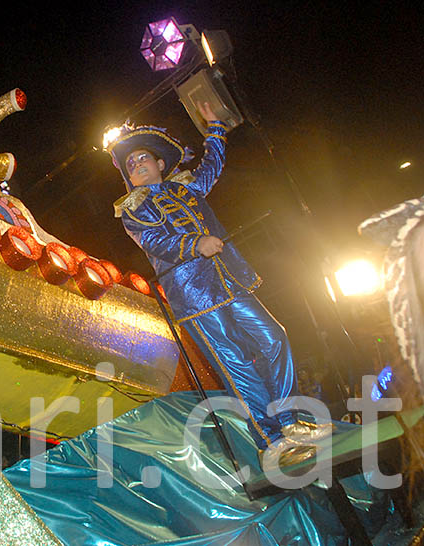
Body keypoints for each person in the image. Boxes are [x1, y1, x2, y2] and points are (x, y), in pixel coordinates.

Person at [108, 102, 331, 465]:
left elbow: (211, 168)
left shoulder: (186, 188)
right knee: (235, 361)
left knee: (274, 336)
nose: (136, 166)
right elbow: (156, 242)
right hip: (193, 294)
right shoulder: (133, 208)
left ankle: (290, 422)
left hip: (228, 279)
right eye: (130, 164)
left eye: (143, 158)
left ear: (161, 163)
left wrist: (214, 130)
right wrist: (195, 244)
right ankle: (270, 442)